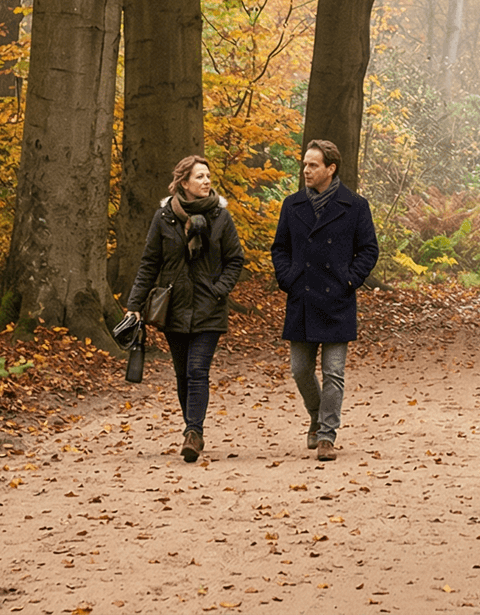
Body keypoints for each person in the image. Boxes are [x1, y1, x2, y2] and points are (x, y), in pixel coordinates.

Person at [125, 154, 247, 463]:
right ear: (184, 183)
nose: (207, 181)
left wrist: (219, 290)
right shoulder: (165, 217)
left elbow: (235, 259)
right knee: (183, 374)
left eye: (208, 176)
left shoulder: (221, 217)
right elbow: (149, 263)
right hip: (174, 307)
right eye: (200, 177)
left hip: (210, 308)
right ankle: (192, 427)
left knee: (197, 370)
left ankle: (194, 433)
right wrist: (134, 306)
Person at [271, 139, 379, 462]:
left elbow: (369, 249)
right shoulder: (292, 205)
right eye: (305, 164)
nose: (306, 170)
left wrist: (349, 279)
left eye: (313, 165)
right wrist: (288, 278)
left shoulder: (355, 205)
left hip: (337, 300)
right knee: (299, 369)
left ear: (330, 169)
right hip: (302, 297)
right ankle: (317, 416)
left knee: (333, 373)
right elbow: (280, 248)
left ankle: (327, 435)